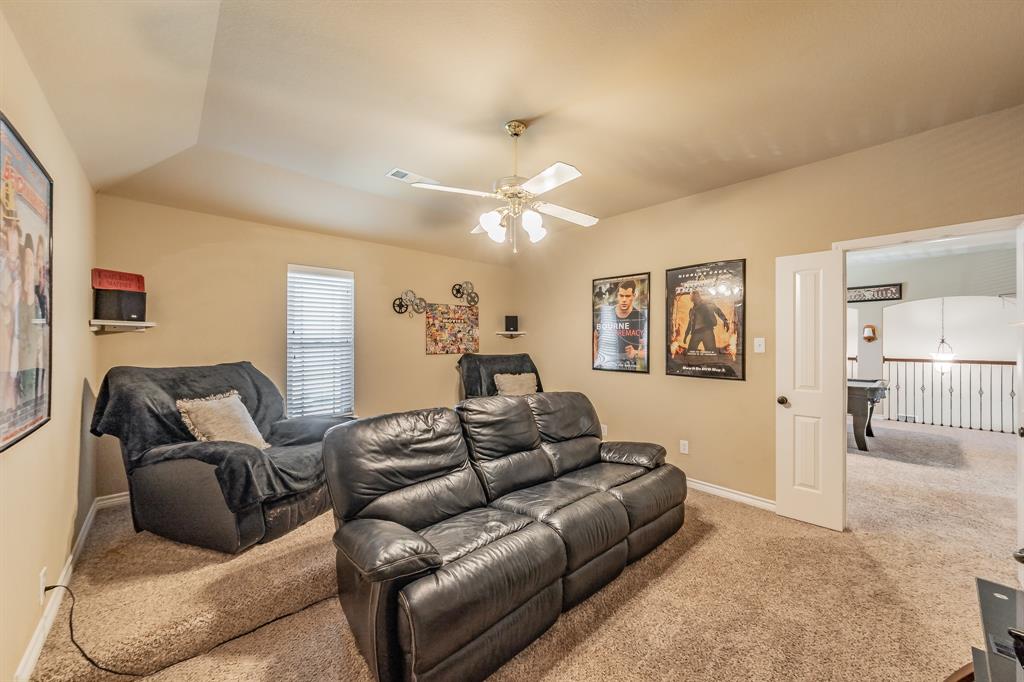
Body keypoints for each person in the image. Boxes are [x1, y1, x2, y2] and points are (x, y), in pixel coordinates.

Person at [593, 279, 647, 370]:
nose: (624, 300)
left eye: (627, 296)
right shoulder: (606, 315)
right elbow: (594, 340)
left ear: (633, 296)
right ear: (617, 296)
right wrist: (596, 360)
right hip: (604, 368)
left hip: (628, 370)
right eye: (621, 296)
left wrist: (636, 353)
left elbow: (649, 350)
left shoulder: (640, 318)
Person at [683, 290, 729, 355]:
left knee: (711, 353)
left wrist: (725, 320)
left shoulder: (708, 304)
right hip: (695, 333)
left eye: (694, 296)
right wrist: (686, 335)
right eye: (691, 297)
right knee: (690, 352)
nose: (692, 298)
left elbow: (718, 311)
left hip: (707, 332)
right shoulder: (692, 310)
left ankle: (712, 364)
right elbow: (690, 323)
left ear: (698, 296)